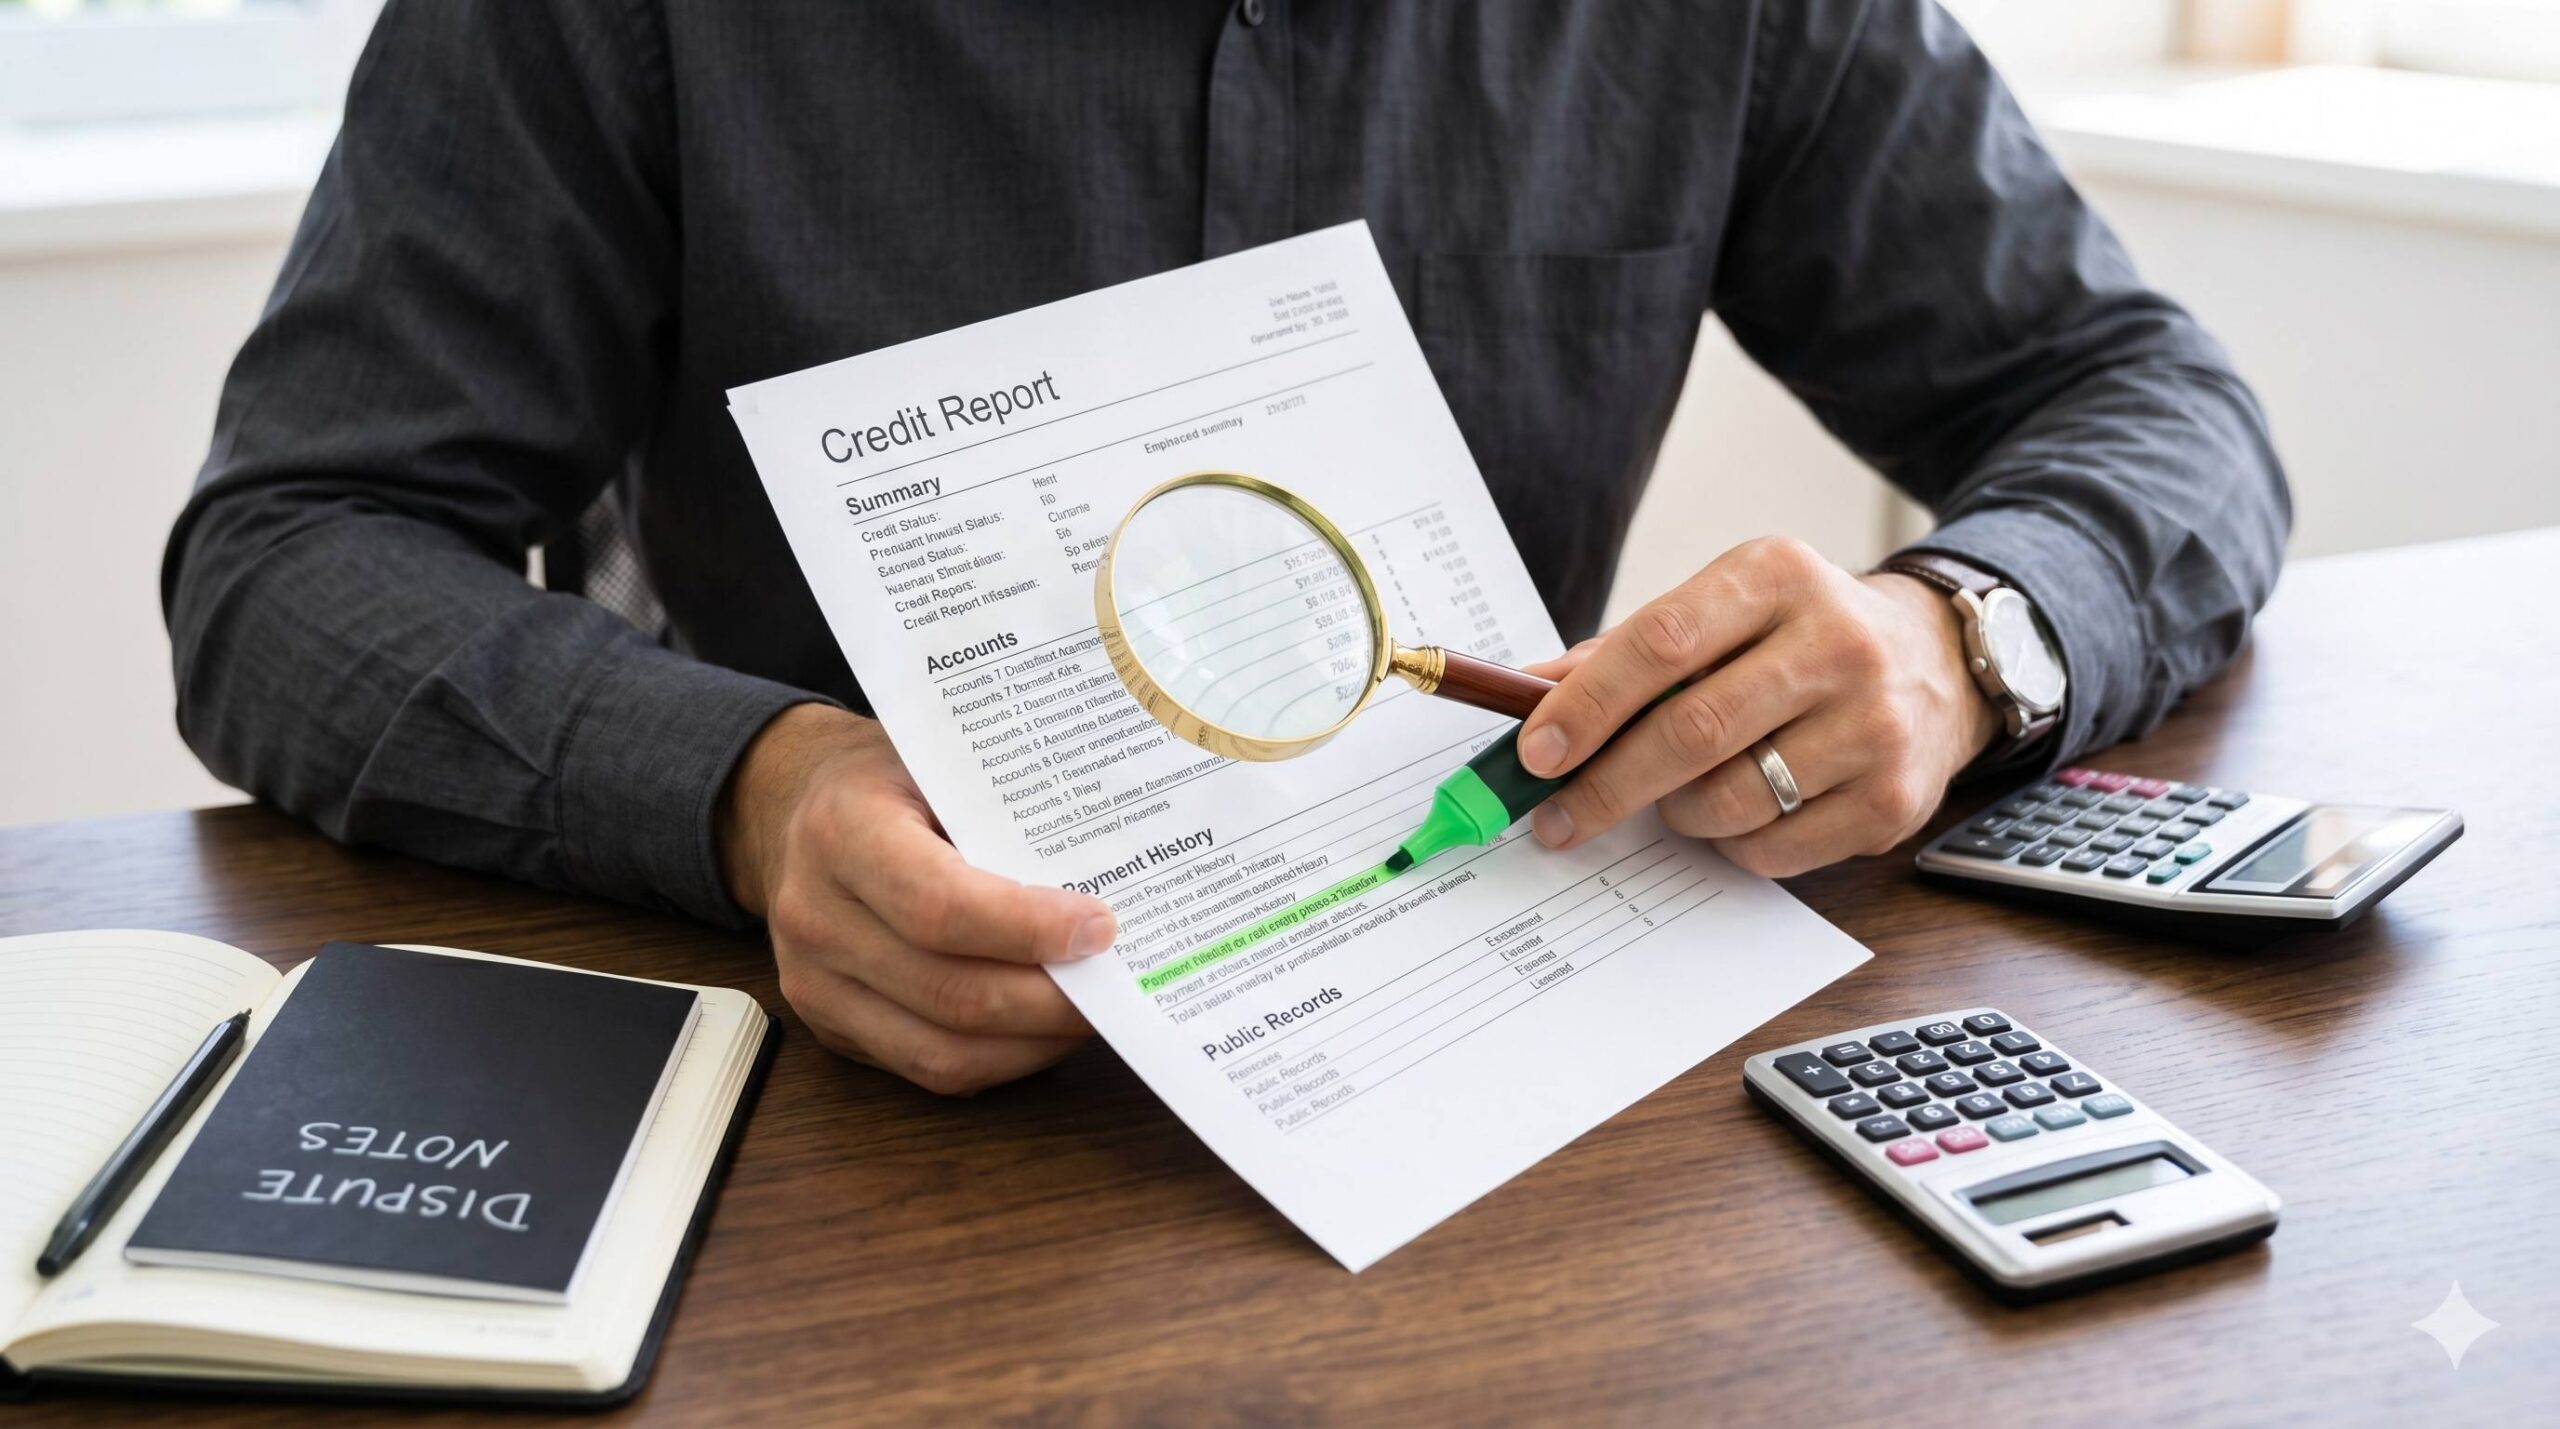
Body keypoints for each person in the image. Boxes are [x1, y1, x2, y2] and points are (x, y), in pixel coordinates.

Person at [164, 1, 2288, 1095]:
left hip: (1488, 1039)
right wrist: (750, 797)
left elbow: (2141, 398)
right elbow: (296, 551)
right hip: (830, 1099)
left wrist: (1958, 640)